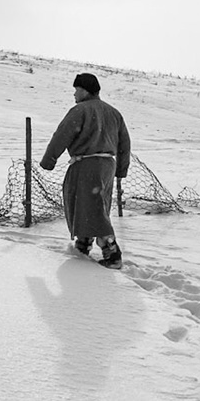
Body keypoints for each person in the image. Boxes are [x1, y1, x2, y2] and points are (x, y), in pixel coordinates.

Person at [38, 72, 132, 266]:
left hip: (87, 165)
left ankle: (112, 253)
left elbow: (62, 135)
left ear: (85, 90)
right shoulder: (114, 113)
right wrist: (121, 170)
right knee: (94, 204)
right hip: (107, 166)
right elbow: (125, 143)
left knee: (88, 205)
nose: (74, 95)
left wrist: (49, 160)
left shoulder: (80, 111)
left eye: (76, 90)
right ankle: (83, 243)